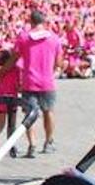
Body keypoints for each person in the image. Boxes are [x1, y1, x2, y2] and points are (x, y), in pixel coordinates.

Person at [14, 9, 63, 159]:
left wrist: (3, 71)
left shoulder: (24, 38)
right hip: (47, 82)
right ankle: (48, 142)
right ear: (44, 21)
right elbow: (59, 63)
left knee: (29, 114)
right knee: (49, 112)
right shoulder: (54, 39)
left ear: (31, 21)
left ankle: (32, 145)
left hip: (29, 81)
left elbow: (15, 57)